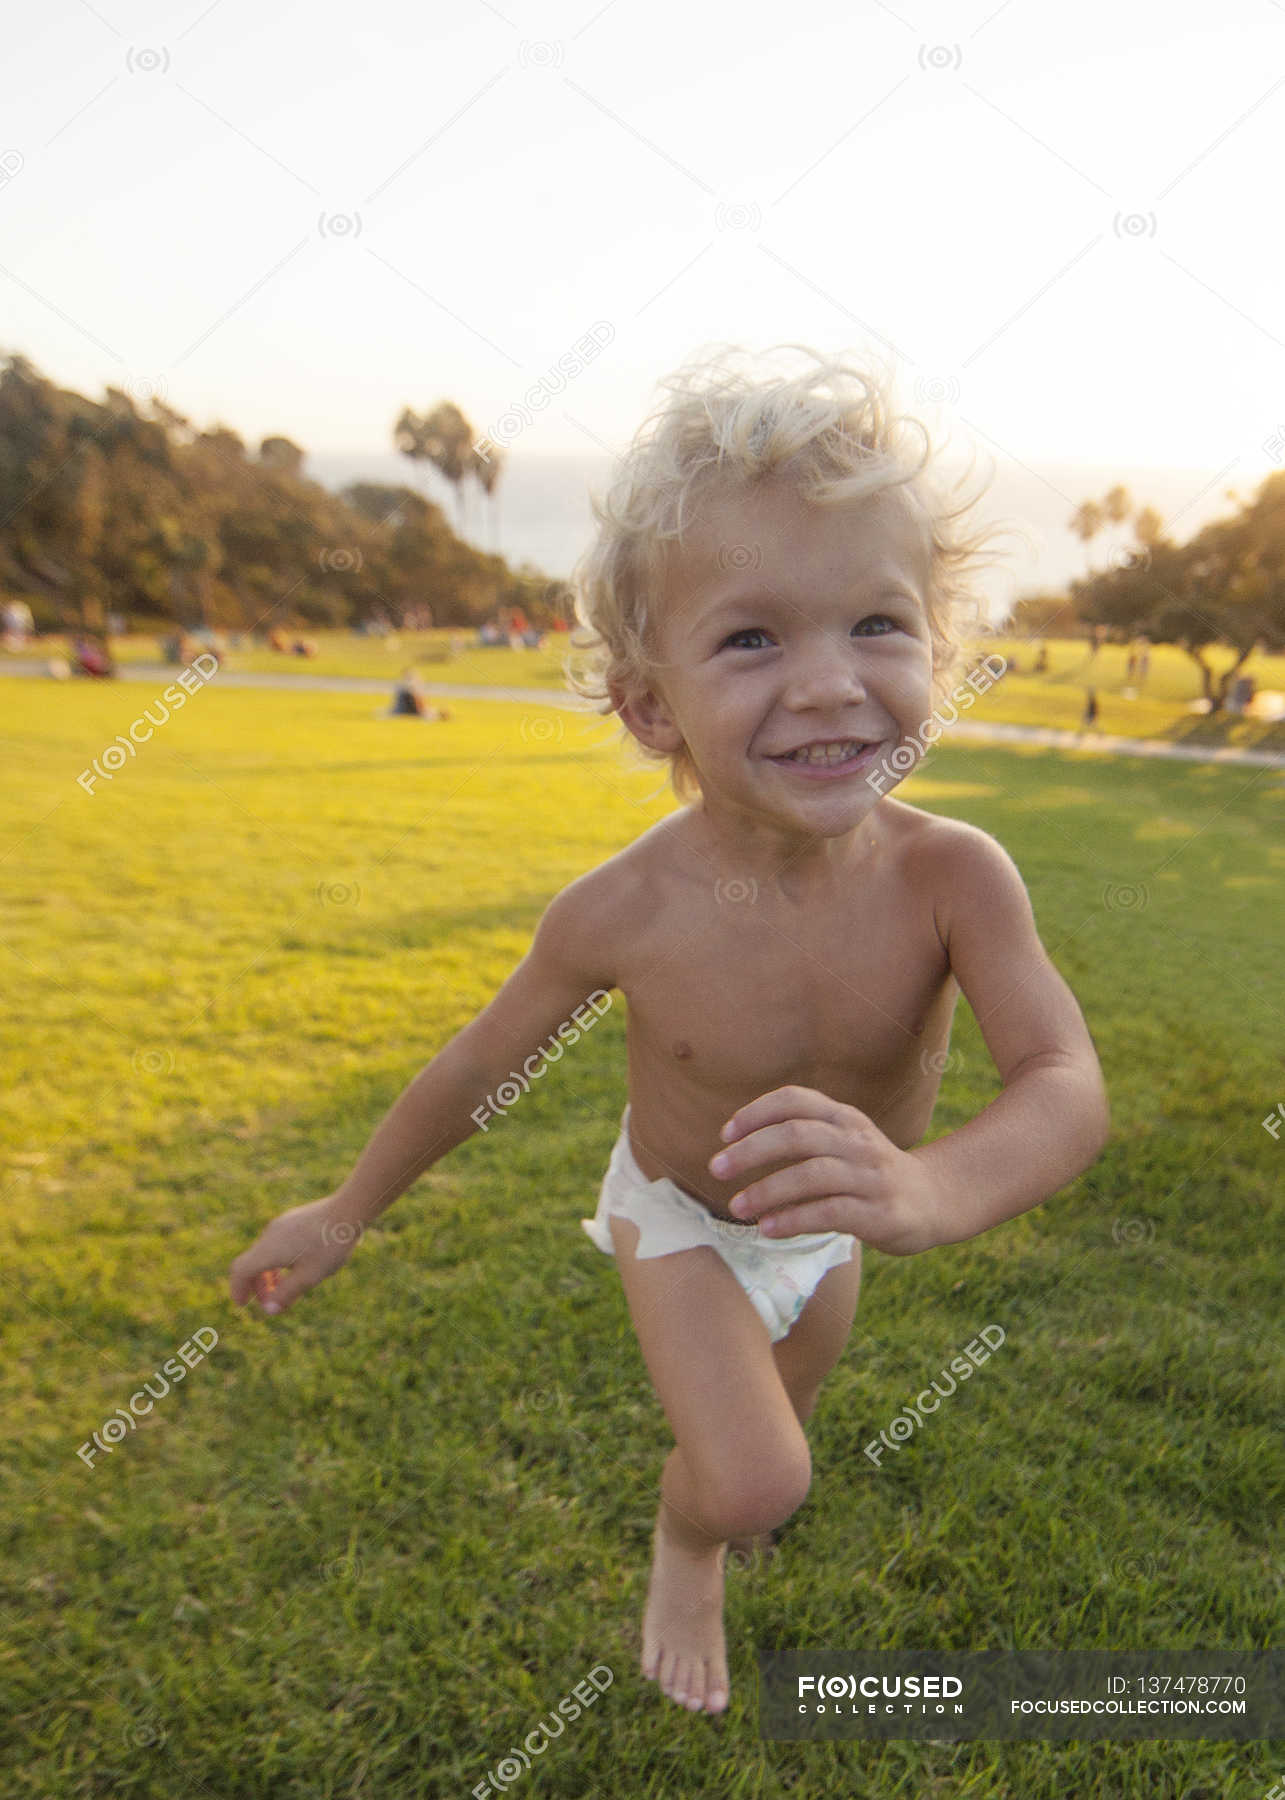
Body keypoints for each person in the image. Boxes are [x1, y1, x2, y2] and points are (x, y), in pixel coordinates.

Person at [228, 347, 1110, 1719]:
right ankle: (682, 1547)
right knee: (755, 1480)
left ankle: (720, 1497)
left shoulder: (957, 878)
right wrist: (346, 1208)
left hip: (830, 1227)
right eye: (751, 639)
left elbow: (1063, 1081)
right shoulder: (624, 909)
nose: (827, 685)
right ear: (652, 706)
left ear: (933, 647)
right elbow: (477, 1067)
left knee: (784, 1428)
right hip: (683, 1219)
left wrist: (931, 1185)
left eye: (875, 625)